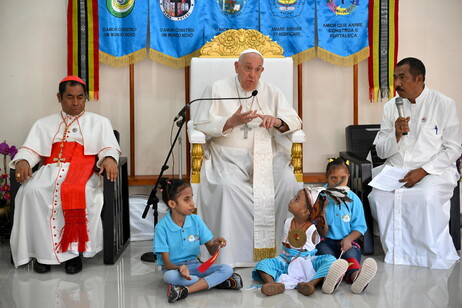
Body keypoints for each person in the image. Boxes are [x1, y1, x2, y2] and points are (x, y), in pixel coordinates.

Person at [193, 49, 303, 267]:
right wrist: (230, 122)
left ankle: (284, 251)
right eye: (247, 68)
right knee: (226, 187)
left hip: (267, 154)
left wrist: (277, 121)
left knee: (288, 181)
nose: (252, 75)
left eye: (257, 70)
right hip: (226, 155)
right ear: (236, 67)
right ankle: (228, 255)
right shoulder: (216, 89)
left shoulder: (272, 91)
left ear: (262, 71)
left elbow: (295, 120)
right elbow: (200, 124)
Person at [10, 76, 121, 274]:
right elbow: (30, 150)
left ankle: (74, 254)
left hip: (84, 173)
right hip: (50, 171)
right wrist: (23, 160)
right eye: (69, 97)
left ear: (86, 98)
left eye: (80, 97)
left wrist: (110, 158)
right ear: (59, 97)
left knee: (83, 193)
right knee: (32, 192)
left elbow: (109, 148)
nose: (76, 102)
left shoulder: (100, 122)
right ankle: (43, 255)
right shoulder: (43, 124)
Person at [368, 57, 461, 269]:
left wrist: (424, 171)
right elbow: (381, 151)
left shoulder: (444, 104)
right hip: (396, 170)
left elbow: (453, 148)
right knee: (378, 197)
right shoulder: (391, 107)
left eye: (402, 78)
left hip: (434, 171)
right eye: (395, 78)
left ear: (419, 79)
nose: (397, 83)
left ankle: (427, 254)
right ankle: (398, 253)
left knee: (426, 196)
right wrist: (396, 135)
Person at [153, 178, 243, 304]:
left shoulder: (196, 221)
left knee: (227, 269)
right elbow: (167, 264)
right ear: (172, 204)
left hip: (196, 266)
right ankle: (216, 282)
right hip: (175, 269)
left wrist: (216, 244)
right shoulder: (161, 228)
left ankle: (185, 290)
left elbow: (211, 251)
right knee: (169, 277)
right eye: (186, 199)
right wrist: (180, 267)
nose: (192, 203)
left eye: (192, 198)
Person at [252, 186, 350, 297]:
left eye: (296, 199)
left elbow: (324, 233)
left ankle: (311, 284)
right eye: (294, 197)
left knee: (330, 260)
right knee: (262, 264)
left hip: (307, 262)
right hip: (285, 260)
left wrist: (322, 212)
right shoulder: (287, 222)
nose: (292, 200)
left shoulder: (312, 229)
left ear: (305, 211)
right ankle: (273, 284)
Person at [315, 158, 377, 294]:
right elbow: (320, 230)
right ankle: (331, 279)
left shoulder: (354, 199)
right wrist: (323, 211)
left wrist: (349, 239)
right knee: (327, 258)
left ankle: (357, 278)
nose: (338, 182)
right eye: (333, 178)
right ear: (327, 178)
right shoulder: (320, 197)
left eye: (343, 178)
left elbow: (360, 227)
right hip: (325, 241)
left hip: (348, 241)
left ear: (348, 177)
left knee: (352, 256)